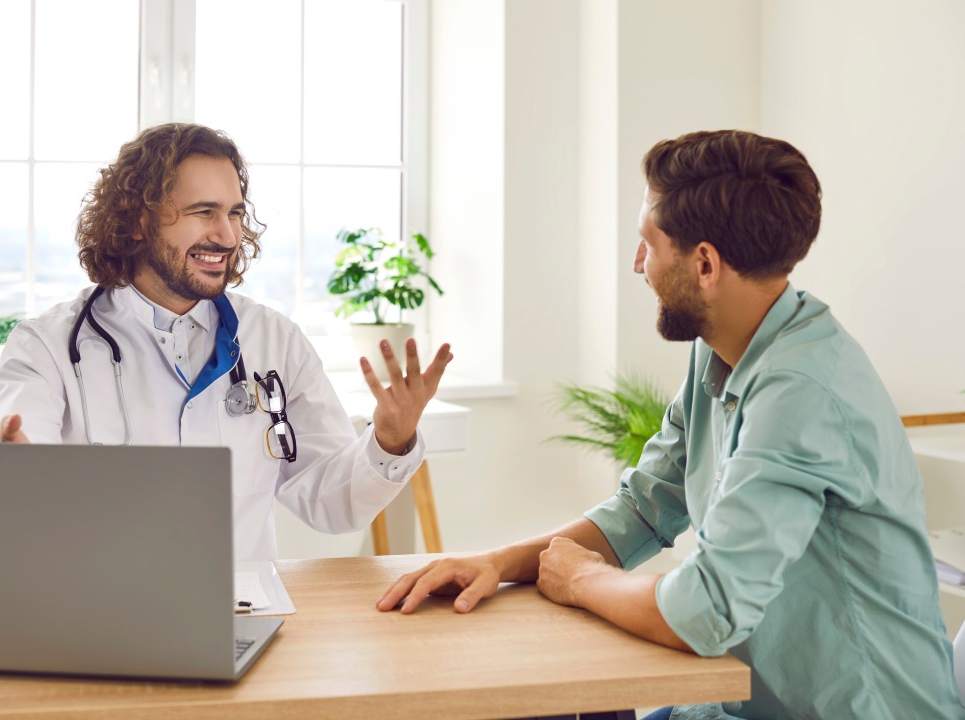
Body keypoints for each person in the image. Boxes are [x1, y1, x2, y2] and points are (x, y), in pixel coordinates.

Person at [377, 130, 964, 718]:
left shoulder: (802, 392)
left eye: (647, 243)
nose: (639, 264)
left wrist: (580, 581)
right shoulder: (723, 348)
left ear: (705, 264)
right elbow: (644, 509)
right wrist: (499, 563)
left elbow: (707, 610)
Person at [0, 122, 453, 563]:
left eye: (235, 214)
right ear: (138, 221)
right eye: (204, 212)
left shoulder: (273, 339)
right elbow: (0, 462)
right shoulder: (48, 347)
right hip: (103, 620)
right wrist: (12, 474)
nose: (226, 235)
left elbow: (331, 503)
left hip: (242, 617)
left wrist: (390, 438)